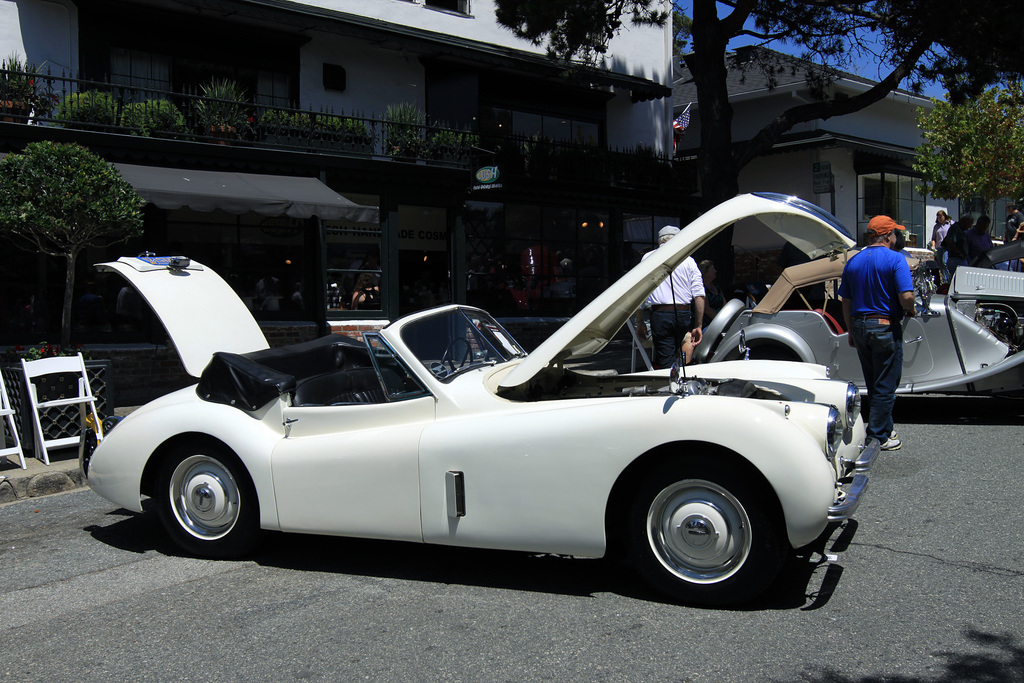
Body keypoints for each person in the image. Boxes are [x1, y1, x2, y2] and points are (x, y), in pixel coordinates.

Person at [840, 215, 917, 451]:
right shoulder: (896, 259)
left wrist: (850, 331)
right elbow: (906, 297)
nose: (897, 237)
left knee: (874, 382)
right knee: (886, 383)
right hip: (884, 325)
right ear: (888, 236)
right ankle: (879, 436)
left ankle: (884, 427)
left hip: (860, 326)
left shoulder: (853, 261)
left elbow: (846, 301)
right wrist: (911, 308)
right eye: (895, 233)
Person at [636, 226, 705, 369]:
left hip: (660, 314)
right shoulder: (689, 261)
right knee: (686, 340)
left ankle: (670, 380)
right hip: (683, 312)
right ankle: (682, 376)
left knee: (665, 357)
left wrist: (640, 320)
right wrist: (698, 325)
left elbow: (640, 293)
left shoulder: (648, 258)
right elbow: (699, 295)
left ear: (660, 241)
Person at [698, 259, 725, 327]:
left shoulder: (716, 287)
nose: (715, 271)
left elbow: (724, 303)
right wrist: (720, 320)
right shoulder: (701, 288)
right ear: (705, 272)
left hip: (722, 321)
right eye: (712, 269)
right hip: (709, 324)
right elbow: (706, 309)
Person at [930, 209, 953, 278]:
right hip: (939, 247)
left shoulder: (949, 225)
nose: (939, 218)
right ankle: (944, 279)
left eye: (941, 217)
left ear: (944, 216)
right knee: (940, 264)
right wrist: (933, 246)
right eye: (938, 217)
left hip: (947, 246)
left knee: (944, 262)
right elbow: (933, 238)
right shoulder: (936, 226)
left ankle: (948, 278)